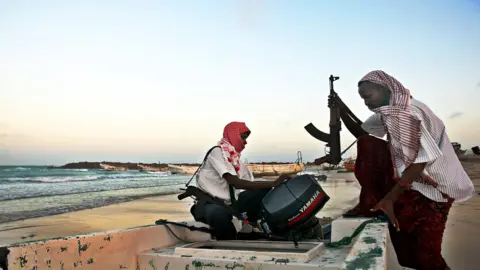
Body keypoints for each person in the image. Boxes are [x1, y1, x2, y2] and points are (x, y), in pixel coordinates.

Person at [315, 70, 475, 270]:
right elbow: (362, 133)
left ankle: (379, 201)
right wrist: (341, 107)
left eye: (368, 96)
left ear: (385, 89)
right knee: (407, 256)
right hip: (414, 184)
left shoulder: (408, 113)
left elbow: (420, 161)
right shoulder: (390, 110)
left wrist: (390, 198)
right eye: (362, 99)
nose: (366, 103)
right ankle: (371, 202)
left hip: (437, 189)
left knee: (427, 257)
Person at [191, 121, 290, 240]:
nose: (246, 142)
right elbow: (236, 183)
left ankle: (258, 226)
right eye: (243, 137)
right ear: (233, 135)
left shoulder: (236, 159)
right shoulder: (217, 152)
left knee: (264, 191)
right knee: (219, 214)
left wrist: (276, 184)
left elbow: (251, 183)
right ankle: (230, 246)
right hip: (209, 204)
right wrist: (273, 183)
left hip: (230, 204)